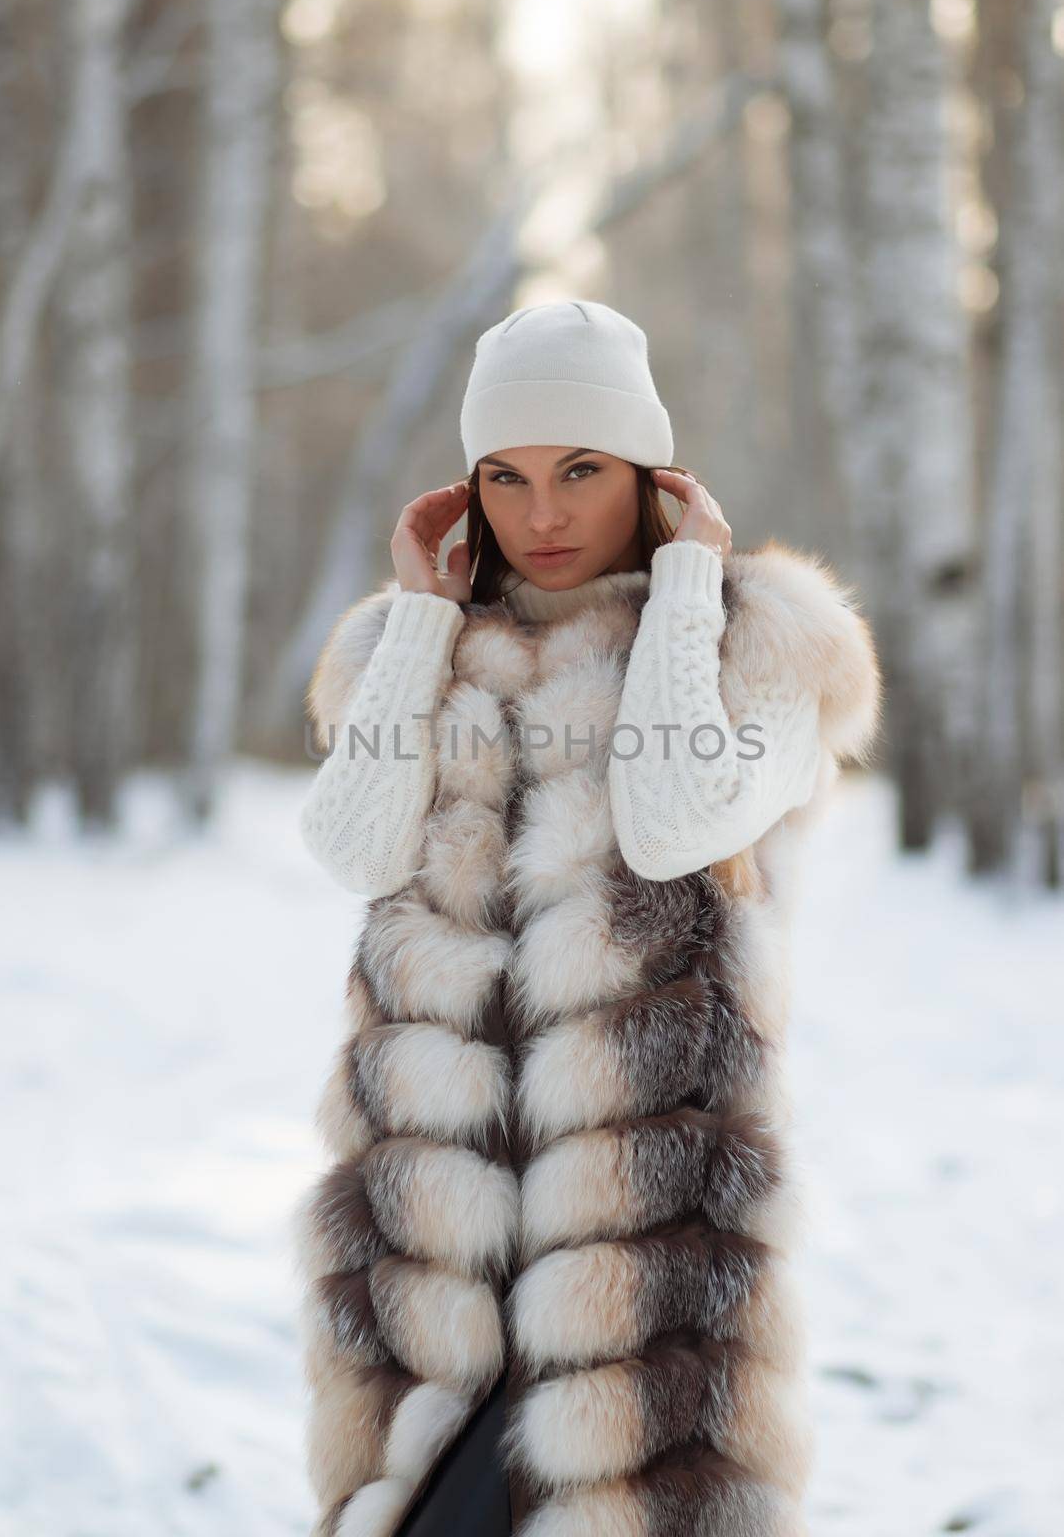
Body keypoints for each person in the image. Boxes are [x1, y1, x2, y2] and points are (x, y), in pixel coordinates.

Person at [293, 300, 883, 1537]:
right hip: (433, 1241)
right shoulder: (414, 650)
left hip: (641, 1252)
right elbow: (349, 845)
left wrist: (680, 590)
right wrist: (417, 621)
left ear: (648, 474)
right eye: (502, 477)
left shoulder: (757, 640)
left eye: (580, 471)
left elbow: (675, 823)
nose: (541, 514)